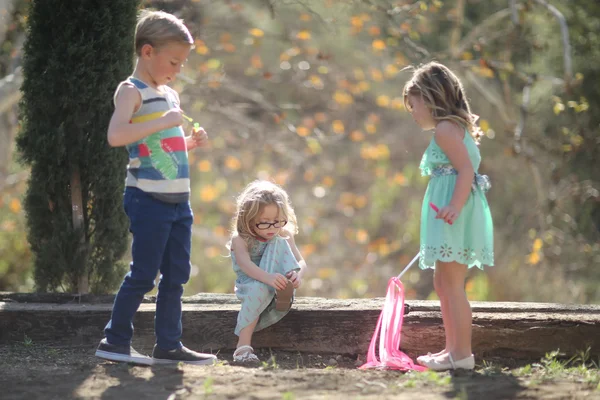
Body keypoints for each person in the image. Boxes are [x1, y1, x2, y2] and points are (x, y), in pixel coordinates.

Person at [95, 10, 216, 365]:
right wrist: (164, 121)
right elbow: (116, 136)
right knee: (144, 273)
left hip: (179, 201)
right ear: (148, 52)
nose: (178, 71)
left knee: (176, 275)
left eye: (182, 64)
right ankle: (114, 341)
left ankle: (168, 345)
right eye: (174, 62)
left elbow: (161, 146)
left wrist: (188, 143)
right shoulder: (131, 92)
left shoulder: (170, 95)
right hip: (146, 198)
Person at [403, 61, 494, 371]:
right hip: (452, 211)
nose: (412, 113)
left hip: (455, 212)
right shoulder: (452, 127)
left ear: (430, 99)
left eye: (413, 105)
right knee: (444, 282)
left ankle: (461, 355)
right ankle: (453, 351)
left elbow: (466, 169)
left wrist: (454, 205)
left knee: (451, 284)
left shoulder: (445, 129)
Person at [228, 180, 308, 364]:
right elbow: (245, 265)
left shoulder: (283, 233)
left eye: (278, 222)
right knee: (261, 289)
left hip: (279, 281)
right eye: (264, 223)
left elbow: (301, 261)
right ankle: (243, 347)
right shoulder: (240, 239)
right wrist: (267, 278)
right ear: (248, 219)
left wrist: (299, 274)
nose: (273, 228)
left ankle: (284, 293)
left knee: (280, 242)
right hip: (250, 283)